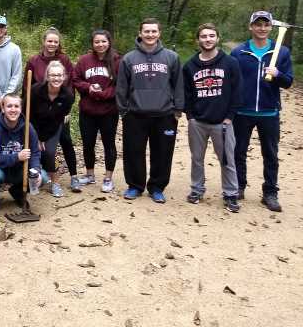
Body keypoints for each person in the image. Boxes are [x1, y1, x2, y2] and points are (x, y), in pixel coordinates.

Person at [231, 11, 293, 212]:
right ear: (251, 27)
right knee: (238, 151)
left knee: (271, 154)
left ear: (271, 27)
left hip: (269, 112)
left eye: (266, 25)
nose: (262, 28)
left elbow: (288, 82)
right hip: (242, 111)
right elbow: (231, 82)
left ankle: (270, 192)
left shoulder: (281, 52)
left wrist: (277, 74)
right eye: (258, 24)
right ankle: (238, 186)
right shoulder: (239, 52)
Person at [116, 18, 184, 203]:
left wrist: (178, 108)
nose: (150, 35)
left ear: (159, 33)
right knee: (133, 151)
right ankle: (135, 186)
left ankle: (156, 187)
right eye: (146, 31)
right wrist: (123, 111)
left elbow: (178, 84)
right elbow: (121, 87)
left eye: (154, 31)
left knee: (162, 153)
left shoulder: (171, 57)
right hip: (135, 114)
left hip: (164, 114)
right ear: (140, 33)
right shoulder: (129, 58)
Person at [183, 23, 243, 213]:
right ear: (197, 40)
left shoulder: (230, 63)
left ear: (218, 38)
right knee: (197, 158)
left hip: (222, 122)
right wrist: (190, 116)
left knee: (227, 159)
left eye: (211, 36)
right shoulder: (190, 66)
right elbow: (186, 94)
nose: (207, 39)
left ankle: (231, 194)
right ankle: (197, 190)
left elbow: (237, 91)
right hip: (198, 122)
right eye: (203, 36)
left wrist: (230, 117)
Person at [24, 27, 79, 190]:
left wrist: (66, 110)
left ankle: (74, 176)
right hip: (39, 110)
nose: (52, 44)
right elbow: (27, 89)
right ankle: (42, 174)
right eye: (49, 41)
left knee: (65, 141)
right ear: (44, 42)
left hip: (59, 110)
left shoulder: (64, 60)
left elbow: (70, 85)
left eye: (55, 41)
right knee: (42, 148)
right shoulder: (34, 61)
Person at [73, 29, 120, 193]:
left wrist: (103, 94)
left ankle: (108, 178)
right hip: (88, 110)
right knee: (88, 144)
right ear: (92, 44)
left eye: (103, 41)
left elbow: (120, 85)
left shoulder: (117, 60)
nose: (100, 44)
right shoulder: (84, 60)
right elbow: (75, 79)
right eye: (97, 42)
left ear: (109, 42)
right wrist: (88, 88)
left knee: (109, 144)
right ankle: (90, 174)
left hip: (109, 110)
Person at [0, 93, 46, 208]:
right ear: (2, 109)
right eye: (9, 106)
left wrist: (36, 170)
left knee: (42, 176)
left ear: (21, 109)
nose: (13, 110)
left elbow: (35, 153)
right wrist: (17, 157)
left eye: (16, 106)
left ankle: (17, 193)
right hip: (0, 170)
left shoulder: (28, 127)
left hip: (19, 170)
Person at [30, 61, 74, 197]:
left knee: (49, 152)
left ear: (64, 77)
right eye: (53, 75)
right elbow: (29, 115)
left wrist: (43, 138)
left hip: (53, 126)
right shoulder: (36, 90)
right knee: (33, 151)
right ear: (47, 76)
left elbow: (58, 120)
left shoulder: (67, 96)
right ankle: (33, 180)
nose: (56, 78)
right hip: (33, 125)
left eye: (59, 75)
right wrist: (37, 137)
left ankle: (55, 182)